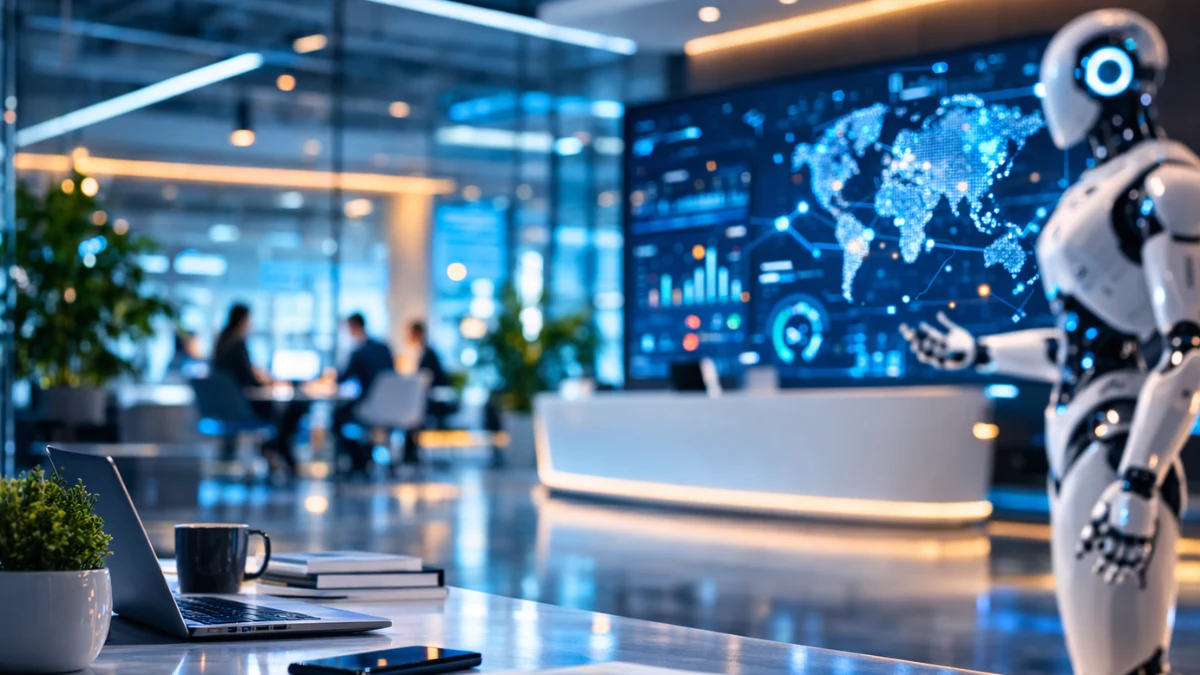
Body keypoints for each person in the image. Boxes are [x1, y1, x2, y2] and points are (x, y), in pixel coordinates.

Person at [902, 10, 1199, 674]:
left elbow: (1188, 350)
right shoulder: (1104, 188)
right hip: (1084, 431)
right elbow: (1082, 345)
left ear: (1101, 75)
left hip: (1120, 441)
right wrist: (979, 353)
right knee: (1096, 652)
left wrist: (1140, 481)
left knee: (1122, 659)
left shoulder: (1168, 187)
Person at [211, 304, 301, 475]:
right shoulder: (237, 344)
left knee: (280, 410)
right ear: (242, 320)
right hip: (241, 406)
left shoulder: (221, 343)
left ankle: (271, 450)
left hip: (225, 406)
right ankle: (270, 449)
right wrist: (268, 382)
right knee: (280, 411)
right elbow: (247, 379)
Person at [333, 313, 395, 475]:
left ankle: (358, 460)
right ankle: (365, 455)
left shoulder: (359, 352)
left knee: (337, 418)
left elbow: (342, 379)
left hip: (369, 405)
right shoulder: (384, 348)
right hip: (390, 405)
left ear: (353, 327)